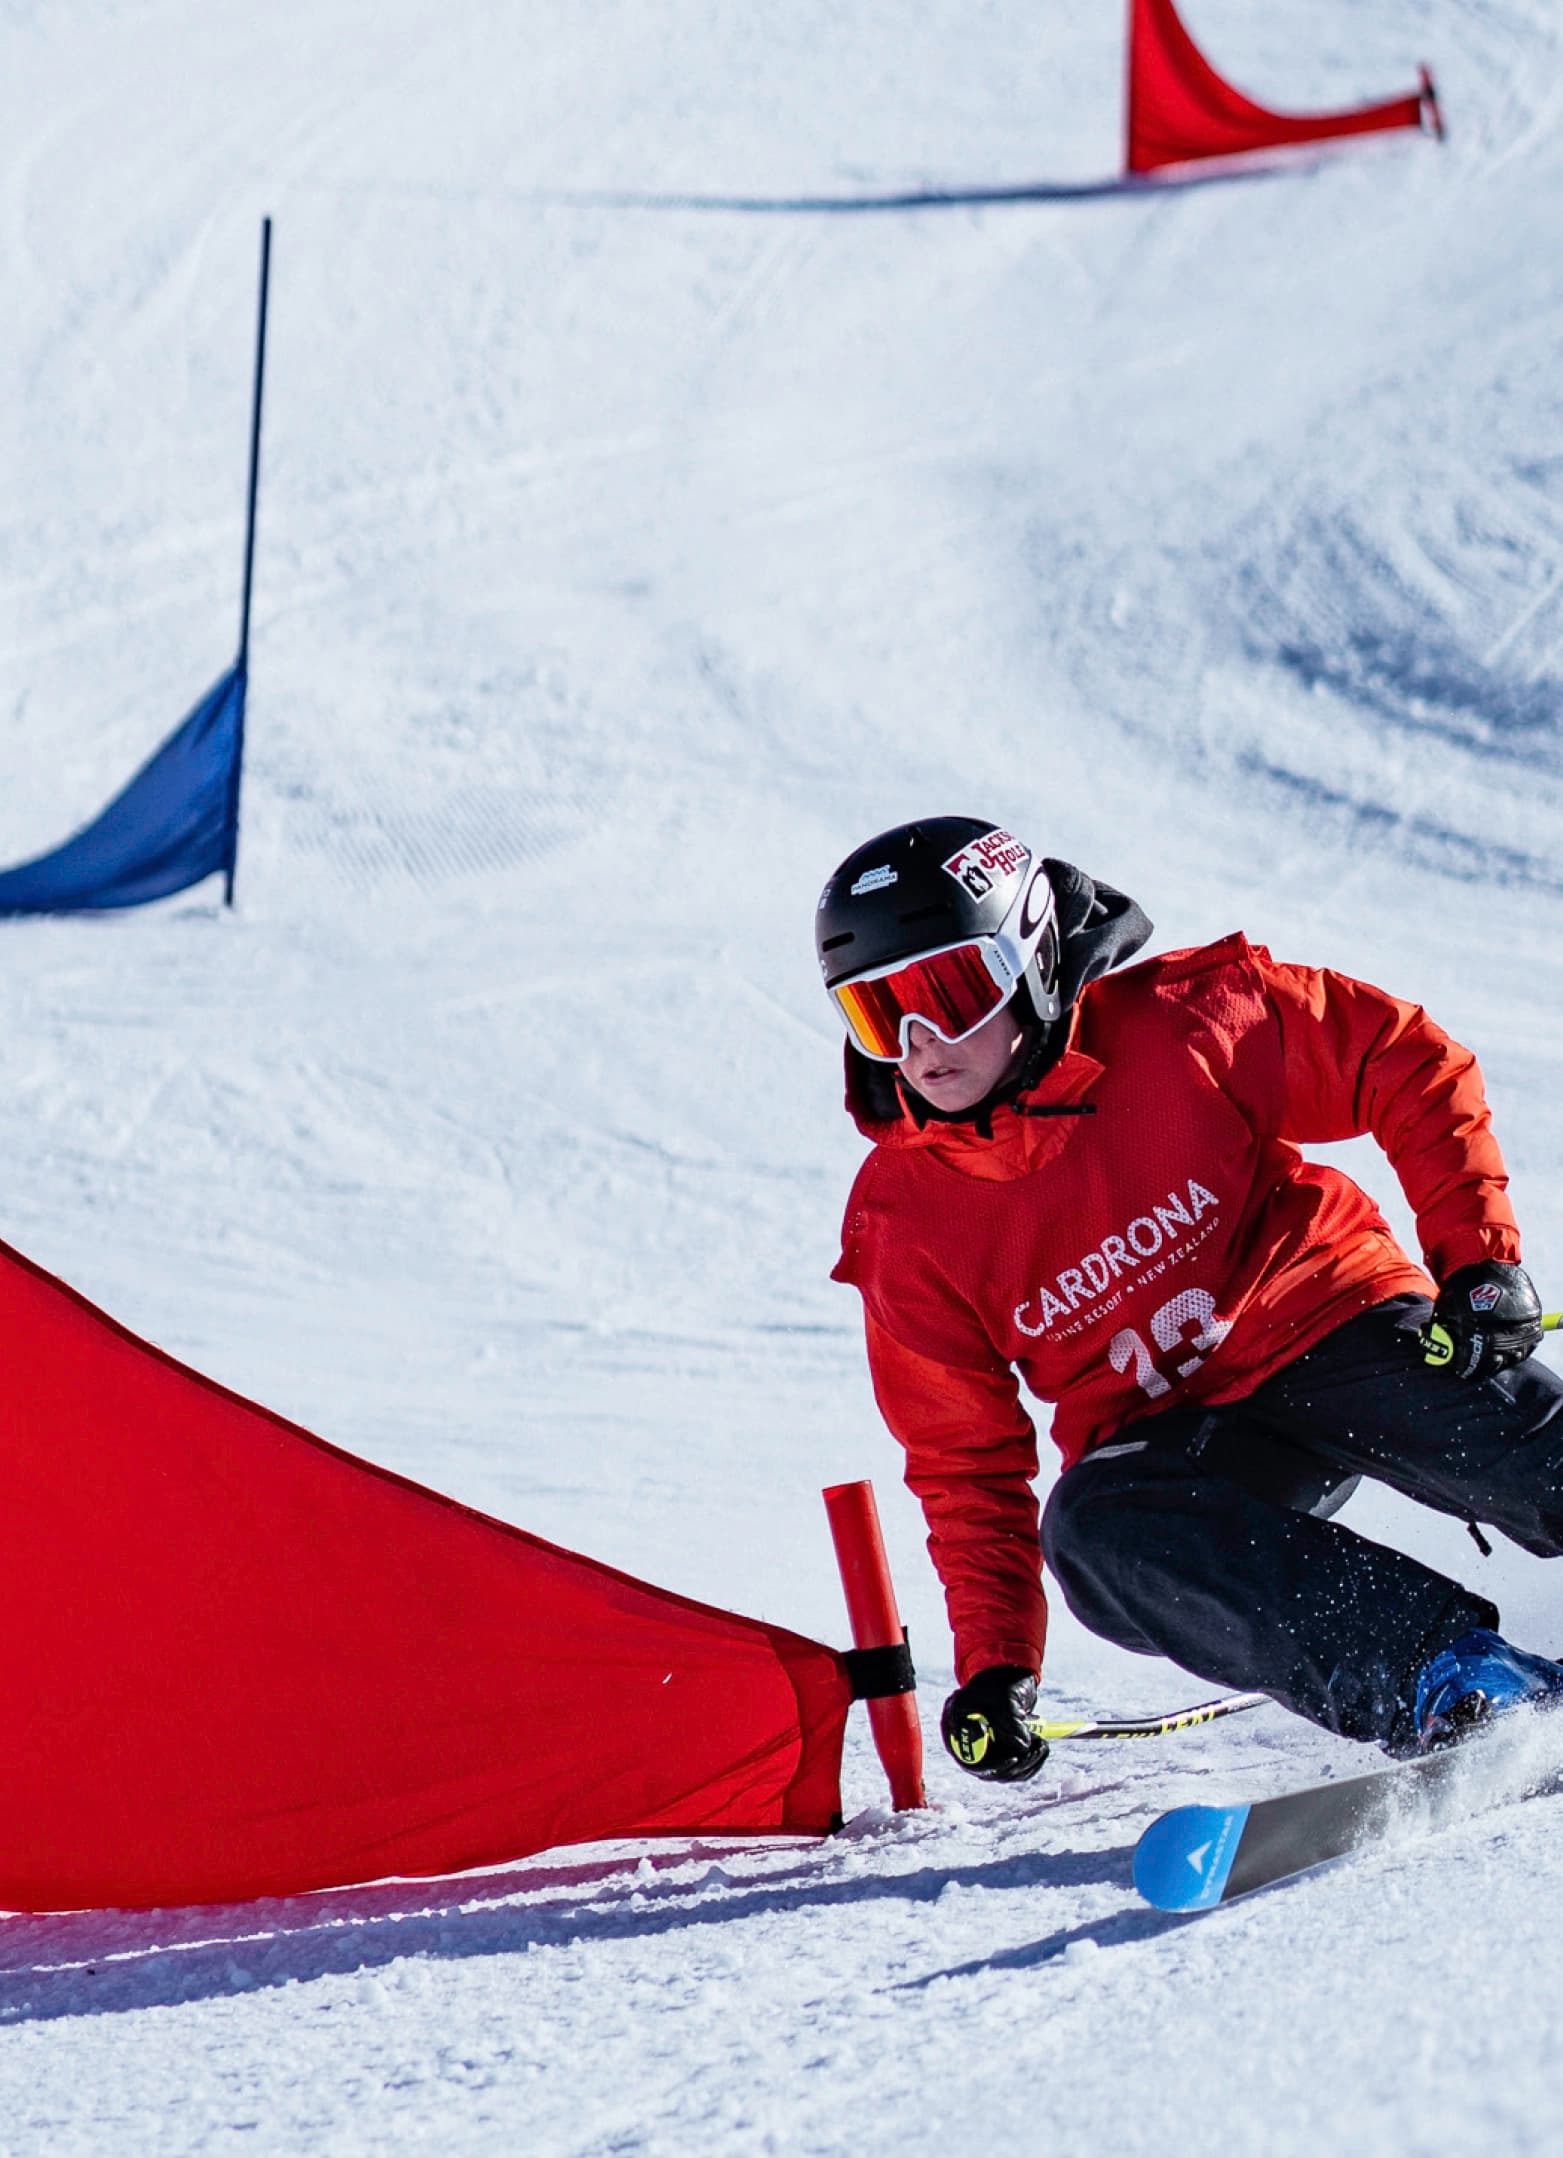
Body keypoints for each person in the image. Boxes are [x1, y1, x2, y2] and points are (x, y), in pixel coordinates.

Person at [817, 815, 1563, 1783]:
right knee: (1100, 1531)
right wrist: (999, 1664)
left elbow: (1402, 1057)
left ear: (1033, 959)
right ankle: (1455, 1681)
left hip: (1327, 1319)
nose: (921, 1045)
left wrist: (1476, 1260)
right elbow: (966, 1466)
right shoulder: (905, 1223)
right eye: (880, 1014)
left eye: (948, 994)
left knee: (1502, 1437)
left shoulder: (1185, 1022)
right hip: (1180, 1441)